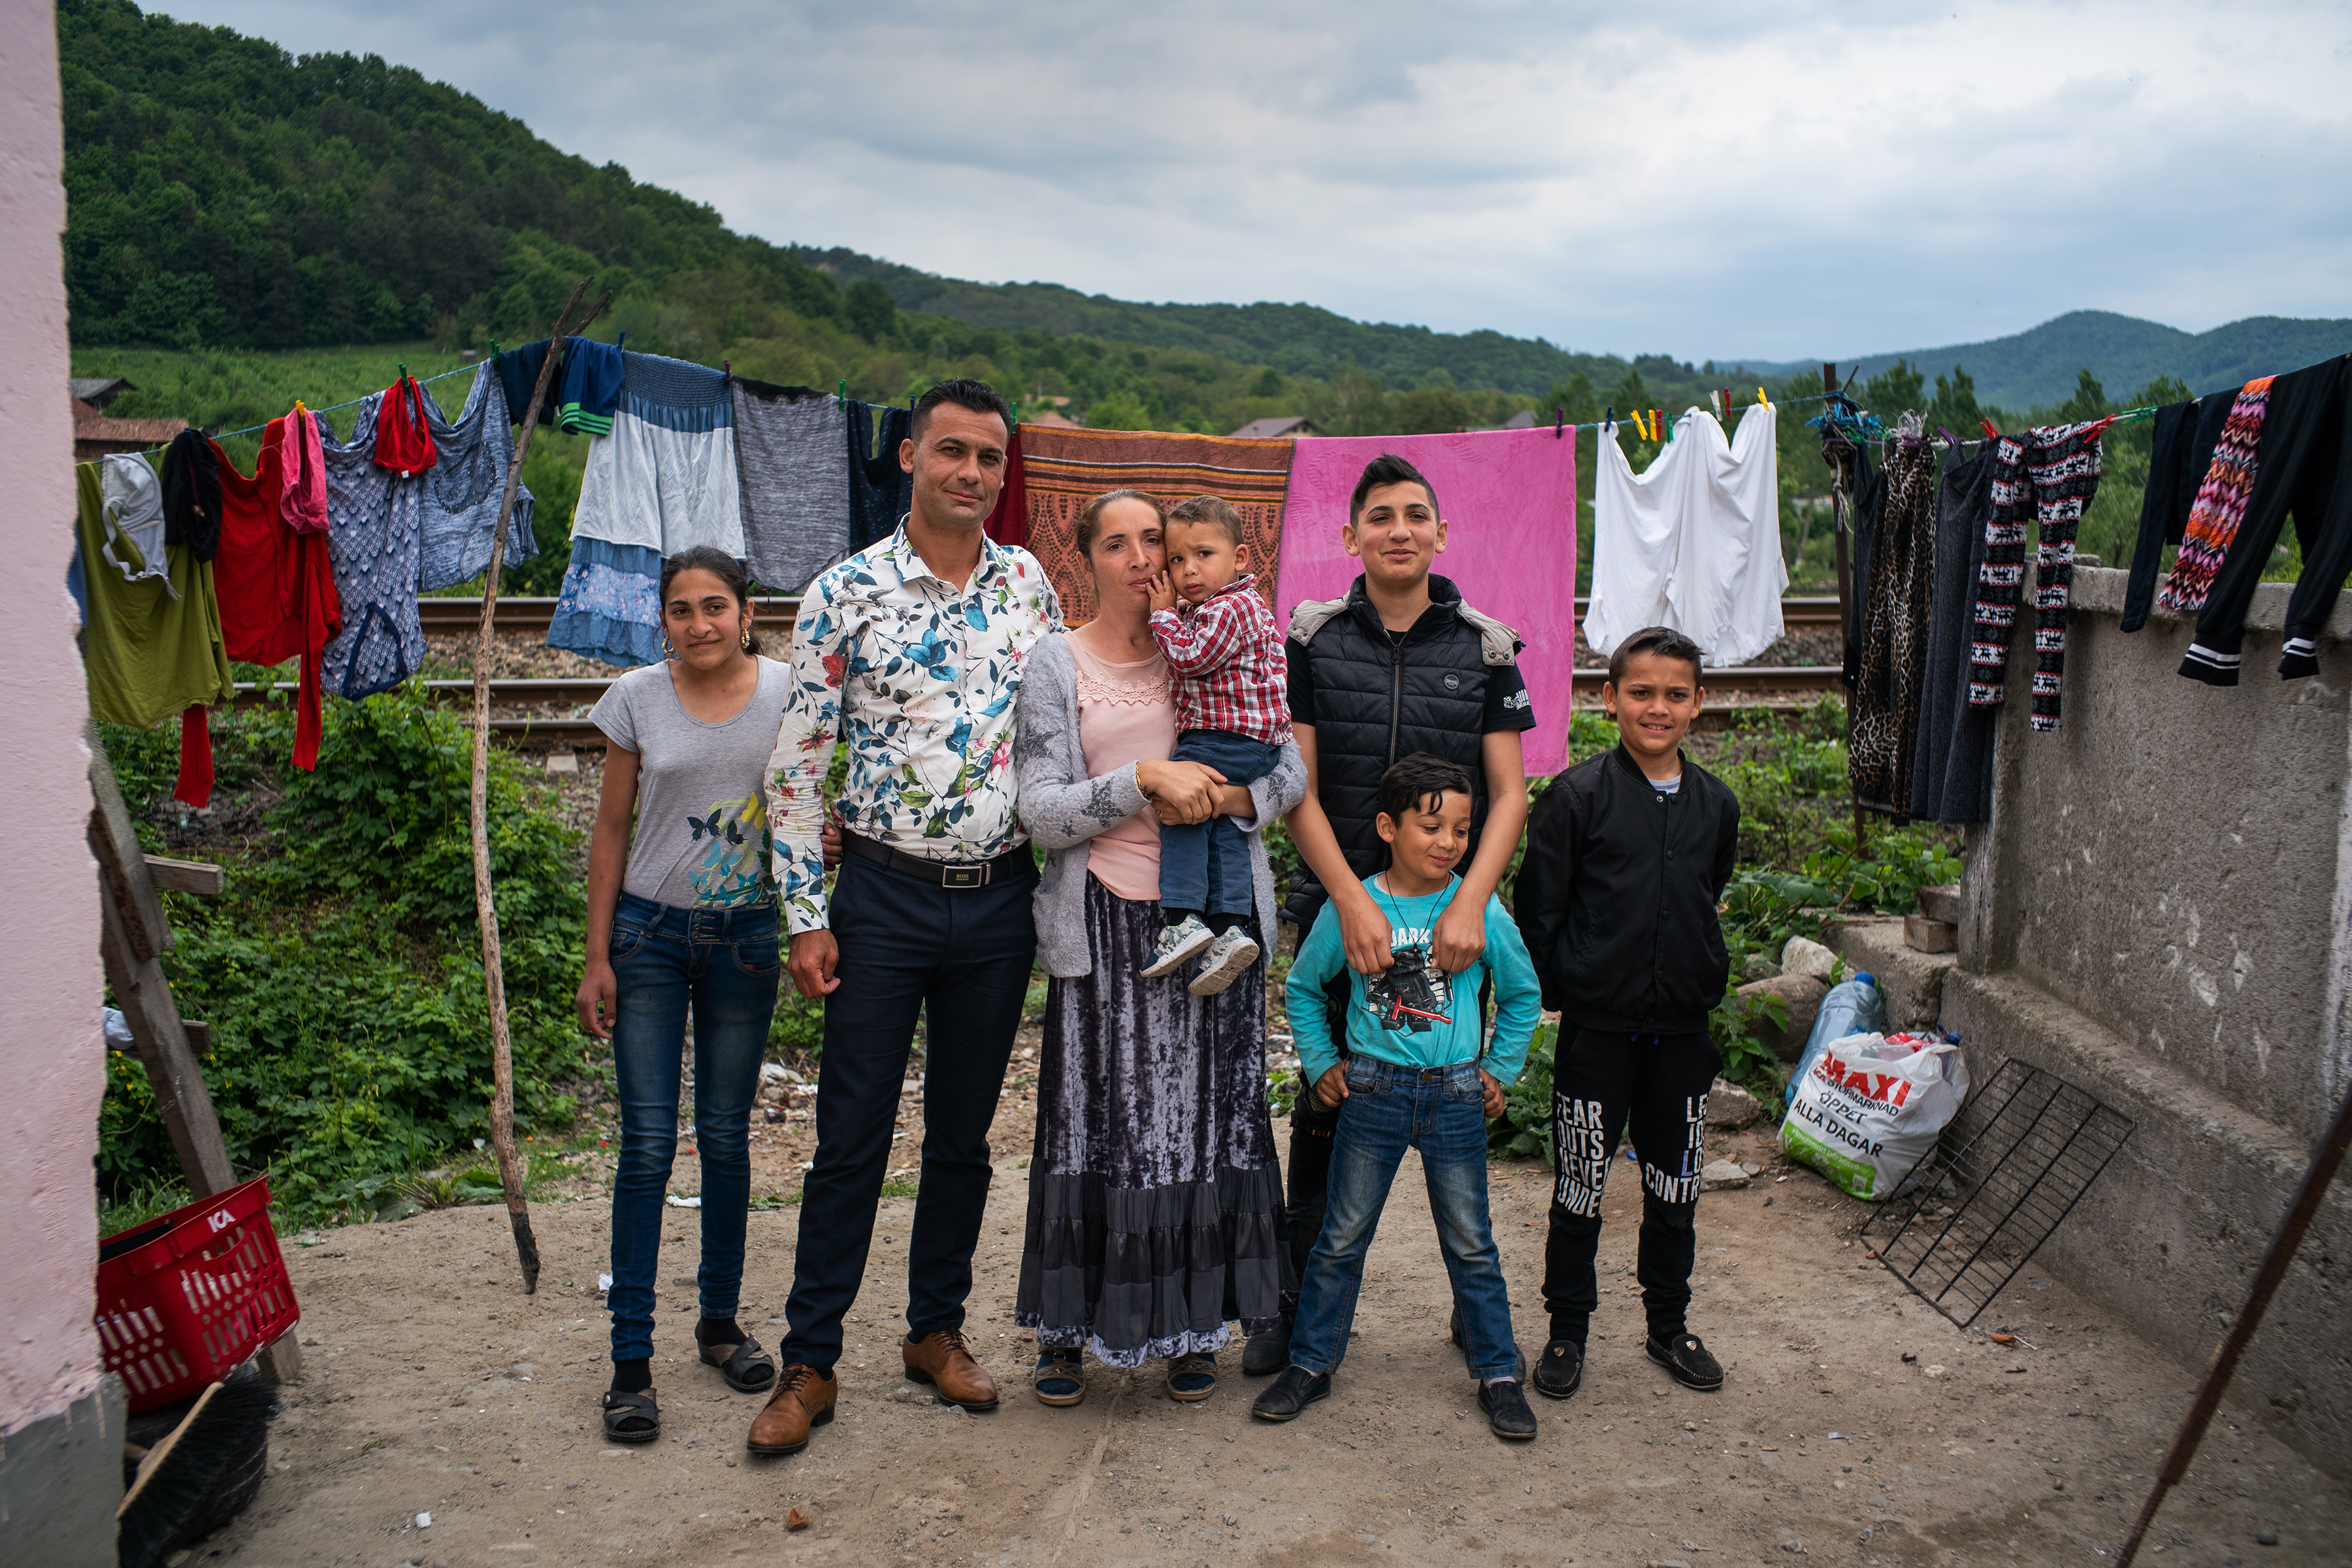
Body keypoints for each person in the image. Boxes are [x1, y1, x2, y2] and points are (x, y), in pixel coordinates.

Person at [748, 378, 1059, 1457]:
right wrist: (804, 914)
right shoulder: (844, 592)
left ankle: (935, 1332)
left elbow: (1059, 736)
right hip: (879, 898)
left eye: (988, 457)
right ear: (909, 459)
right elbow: (794, 767)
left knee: (965, 1137)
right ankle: (811, 1361)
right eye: (951, 452)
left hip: (1000, 901)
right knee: (851, 1138)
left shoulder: (1029, 585)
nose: (970, 473)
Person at [1010, 489, 1306, 1404]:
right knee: (1094, 1122)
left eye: (1159, 543)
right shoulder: (1057, 666)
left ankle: (1194, 1323)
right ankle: (1069, 1329)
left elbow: (1287, 769)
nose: (1145, 560)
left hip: (1216, 920)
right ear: (1084, 559)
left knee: (1207, 1124)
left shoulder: (1214, 635)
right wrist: (1140, 780)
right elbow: (1040, 809)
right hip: (1104, 917)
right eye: (1121, 543)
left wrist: (1220, 799)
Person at [1249, 452, 1537, 1375]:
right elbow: (1294, 784)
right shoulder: (1312, 639)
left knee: (1452, 1107)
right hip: (1337, 901)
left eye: (1417, 514)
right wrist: (1346, 898)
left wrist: (1472, 907)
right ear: (1352, 537)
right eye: (1381, 516)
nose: (1399, 529)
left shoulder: (1485, 646)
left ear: (1441, 534)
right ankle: (1292, 1313)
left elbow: (1509, 794)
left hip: (1451, 915)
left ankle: (1473, 1314)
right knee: (1328, 1104)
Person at [1252, 754, 1544, 1439]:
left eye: (1463, 831)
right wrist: (1324, 1063)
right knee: (1341, 1238)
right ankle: (1310, 1364)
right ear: (1388, 827)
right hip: (1373, 1095)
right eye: (1431, 827)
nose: (1448, 843)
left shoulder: (1477, 907)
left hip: (1455, 1096)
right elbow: (1301, 986)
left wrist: (1497, 1070)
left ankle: (1499, 1373)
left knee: (1472, 1245)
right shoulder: (1353, 905)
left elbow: (1524, 994)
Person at [577, 546, 791, 1445]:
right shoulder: (634, 698)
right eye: (680, 609)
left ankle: (719, 1324)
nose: (698, 623)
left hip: (747, 939)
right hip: (650, 939)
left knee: (730, 1136)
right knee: (649, 1144)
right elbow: (613, 828)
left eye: (715, 606)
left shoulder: (790, 693)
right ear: (661, 620)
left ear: (746, 612)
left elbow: (814, 810)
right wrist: (597, 957)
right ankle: (631, 1364)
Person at [1510, 625, 1741, 1402]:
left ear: (1698, 705)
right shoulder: (1576, 799)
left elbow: (1710, 888)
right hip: (1597, 1037)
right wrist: (1569, 988)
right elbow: (1539, 911)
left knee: (1676, 1188)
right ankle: (1567, 1331)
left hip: (1682, 1037)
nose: (1658, 708)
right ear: (1609, 699)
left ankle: (1668, 1327)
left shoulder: (1716, 804)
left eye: (1676, 695)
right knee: (1580, 1187)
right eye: (1641, 692)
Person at [1138, 494, 1291, 996]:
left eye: (1204, 555)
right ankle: (1230, 928)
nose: (1188, 570)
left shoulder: (1233, 606)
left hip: (1222, 738)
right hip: (1249, 746)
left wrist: (1162, 615)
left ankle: (1182, 917)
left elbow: (1190, 658)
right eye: (1178, 560)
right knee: (1223, 827)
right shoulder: (1226, 605)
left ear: (1240, 558)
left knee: (1181, 808)